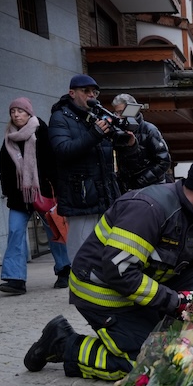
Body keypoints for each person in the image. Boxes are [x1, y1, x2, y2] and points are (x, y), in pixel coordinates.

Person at [23, 150, 193, 380]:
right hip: (103, 291)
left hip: (142, 285)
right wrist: (177, 303)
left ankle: (157, 322)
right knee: (147, 361)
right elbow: (121, 272)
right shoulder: (148, 210)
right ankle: (63, 343)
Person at [49, 74, 128, 262]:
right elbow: (63, 150)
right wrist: (95, 134)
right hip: (81, 196)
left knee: (109, 251)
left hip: (106, 195)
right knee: (82, 253)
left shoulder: (98, 115)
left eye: (94, 92)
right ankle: (80, 289)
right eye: (85, 91)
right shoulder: (60, 117)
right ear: (72, 93)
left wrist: (129, 143)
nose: (91, 95)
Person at [0, 97, 72, 295]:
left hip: (44, 193)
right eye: (13, 111)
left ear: (29, 113)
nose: (16, 114)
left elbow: (53, 162)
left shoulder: (42, 131)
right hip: (19, 197)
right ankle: (15, 279)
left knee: (54, 231)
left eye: (20, 111)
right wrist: (8, 190)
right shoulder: (9, 137)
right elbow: (4, 168)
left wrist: (56, 190)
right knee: (15, 232)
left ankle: (64, 270)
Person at [111, 93, 172, 192]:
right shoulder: (116, 132)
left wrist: (141, 181)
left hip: (152, 187)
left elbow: (164, 161)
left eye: (121, 112)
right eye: (116, 113)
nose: (118, 117)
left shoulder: (149, 130)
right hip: (127, 189)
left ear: (132, 110)